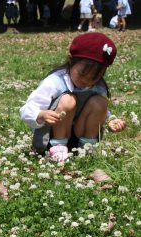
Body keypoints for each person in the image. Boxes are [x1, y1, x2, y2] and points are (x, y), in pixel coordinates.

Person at [20, 33, 126, 162]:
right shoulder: (55, 82)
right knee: (68, 100)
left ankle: (87, 146)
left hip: (79, 136)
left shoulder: (97, 86)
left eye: (94, 77)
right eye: (82, 74)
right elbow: (27, 109)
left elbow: (99, 111)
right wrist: (40, 114)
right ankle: (58, 147)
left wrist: (110, 120)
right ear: (71, 61)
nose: (87, 81)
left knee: (99, 102)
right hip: (51, 137)